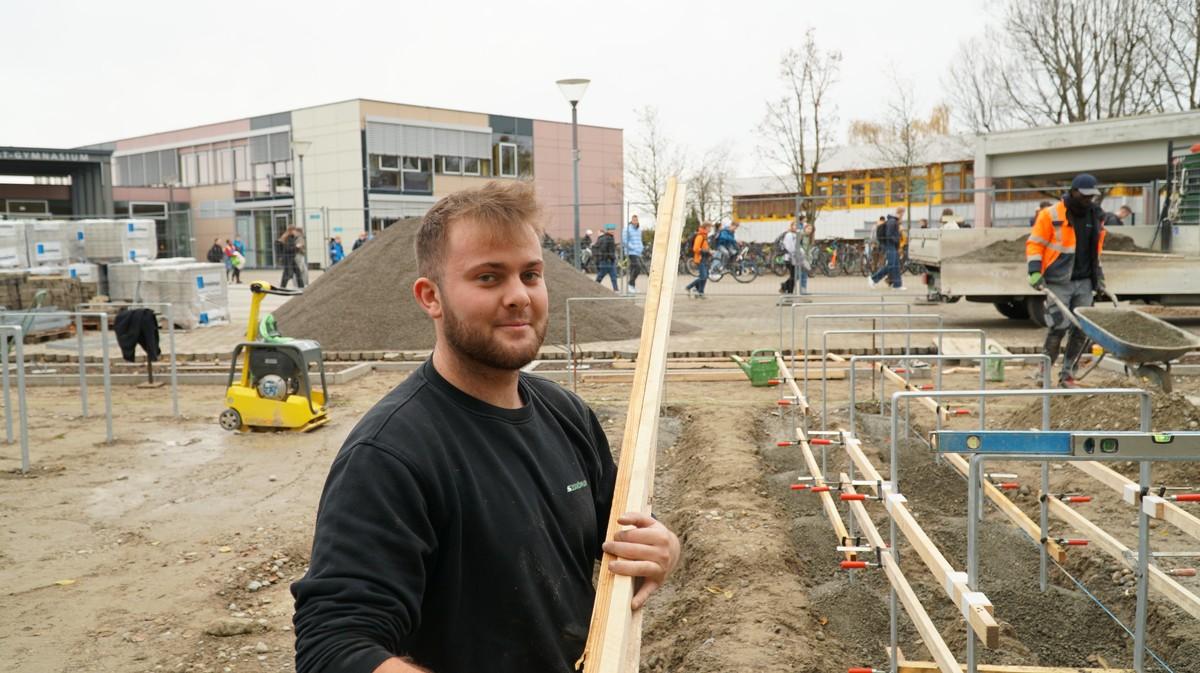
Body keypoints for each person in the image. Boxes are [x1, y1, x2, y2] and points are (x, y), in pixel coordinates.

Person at [290, 181, 679, 673]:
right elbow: (334, 647)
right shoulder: (391, 454)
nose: (519, 296)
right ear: (430, 296)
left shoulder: (566, 414)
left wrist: (662, 545)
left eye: (531, 275)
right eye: (489, 278)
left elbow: (620, 531)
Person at [1027, 173, 1107, 387]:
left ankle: (1068, 374)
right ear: (1073, 192)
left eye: (1091, 196)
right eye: (1084, 195)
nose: (1088, 200)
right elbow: (1035, 244)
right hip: (1059, 279)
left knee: (1082, 330)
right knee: (1058, 327)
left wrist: (1099, 278)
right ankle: (1043, 374)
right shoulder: (1051, 214)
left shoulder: (1095, 216)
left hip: (1084, 281)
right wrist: (1034, 270)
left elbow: (1096, 251)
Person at [869, 207, 905, 290]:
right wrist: (897, 239)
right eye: (902, 213)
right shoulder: (892, 221)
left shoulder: (893, 221)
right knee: (892, 265)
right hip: (890, 245)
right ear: (899, 213)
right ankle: (873, 279)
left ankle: (897, 285)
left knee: (895, 265)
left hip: (892, 245)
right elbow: (889, 234)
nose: (903, 215)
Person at [684, 223, 711, 298]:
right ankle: (689, 287)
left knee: (705, 276)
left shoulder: (705, 236)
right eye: (710, 227)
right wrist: (706, 251)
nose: (711, 229)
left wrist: (709, 251)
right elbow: (695, 248)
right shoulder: (700, 236)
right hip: (700, 259)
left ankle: (699, 292)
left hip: (704, 258)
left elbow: (705, 247)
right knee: (703, 276)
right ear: (706, 227)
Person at [592, 224, 618, 291]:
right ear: (607, 230)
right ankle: (594, 289)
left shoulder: (608, 238)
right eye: (610, 229)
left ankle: (616, 290)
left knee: (613, 277)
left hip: (608, 261)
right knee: (602, 276)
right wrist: (611, 257)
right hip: (606, 261)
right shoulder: (607, 238)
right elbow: (604, 249)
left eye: (613, 229)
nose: (612, 231)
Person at [623, 215, 644, 295]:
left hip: (638, 252)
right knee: (637, 267)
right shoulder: (627, 229)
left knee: (633, 268)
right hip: (631, 252)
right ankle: (630, 284)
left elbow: (640, 240)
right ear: (631, 220)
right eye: (634, 220)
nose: (635, 221)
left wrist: (641, 247)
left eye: (636, 220)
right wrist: (633, 247)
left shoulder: (639, 230)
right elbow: (625, 241)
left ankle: (632, 287)